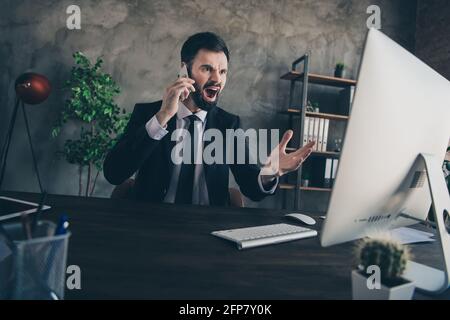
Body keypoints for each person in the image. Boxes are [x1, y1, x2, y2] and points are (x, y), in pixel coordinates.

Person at [104, 32, 315, 206]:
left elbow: (252, 188)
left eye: (222, 71)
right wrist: (162, 117)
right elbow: (114, 173)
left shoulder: (229, 125)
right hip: (151, 225)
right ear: (184, 69)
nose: (217, 79)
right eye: (207, 69)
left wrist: (271, 172)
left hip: (208, 227)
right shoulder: (148, 114)